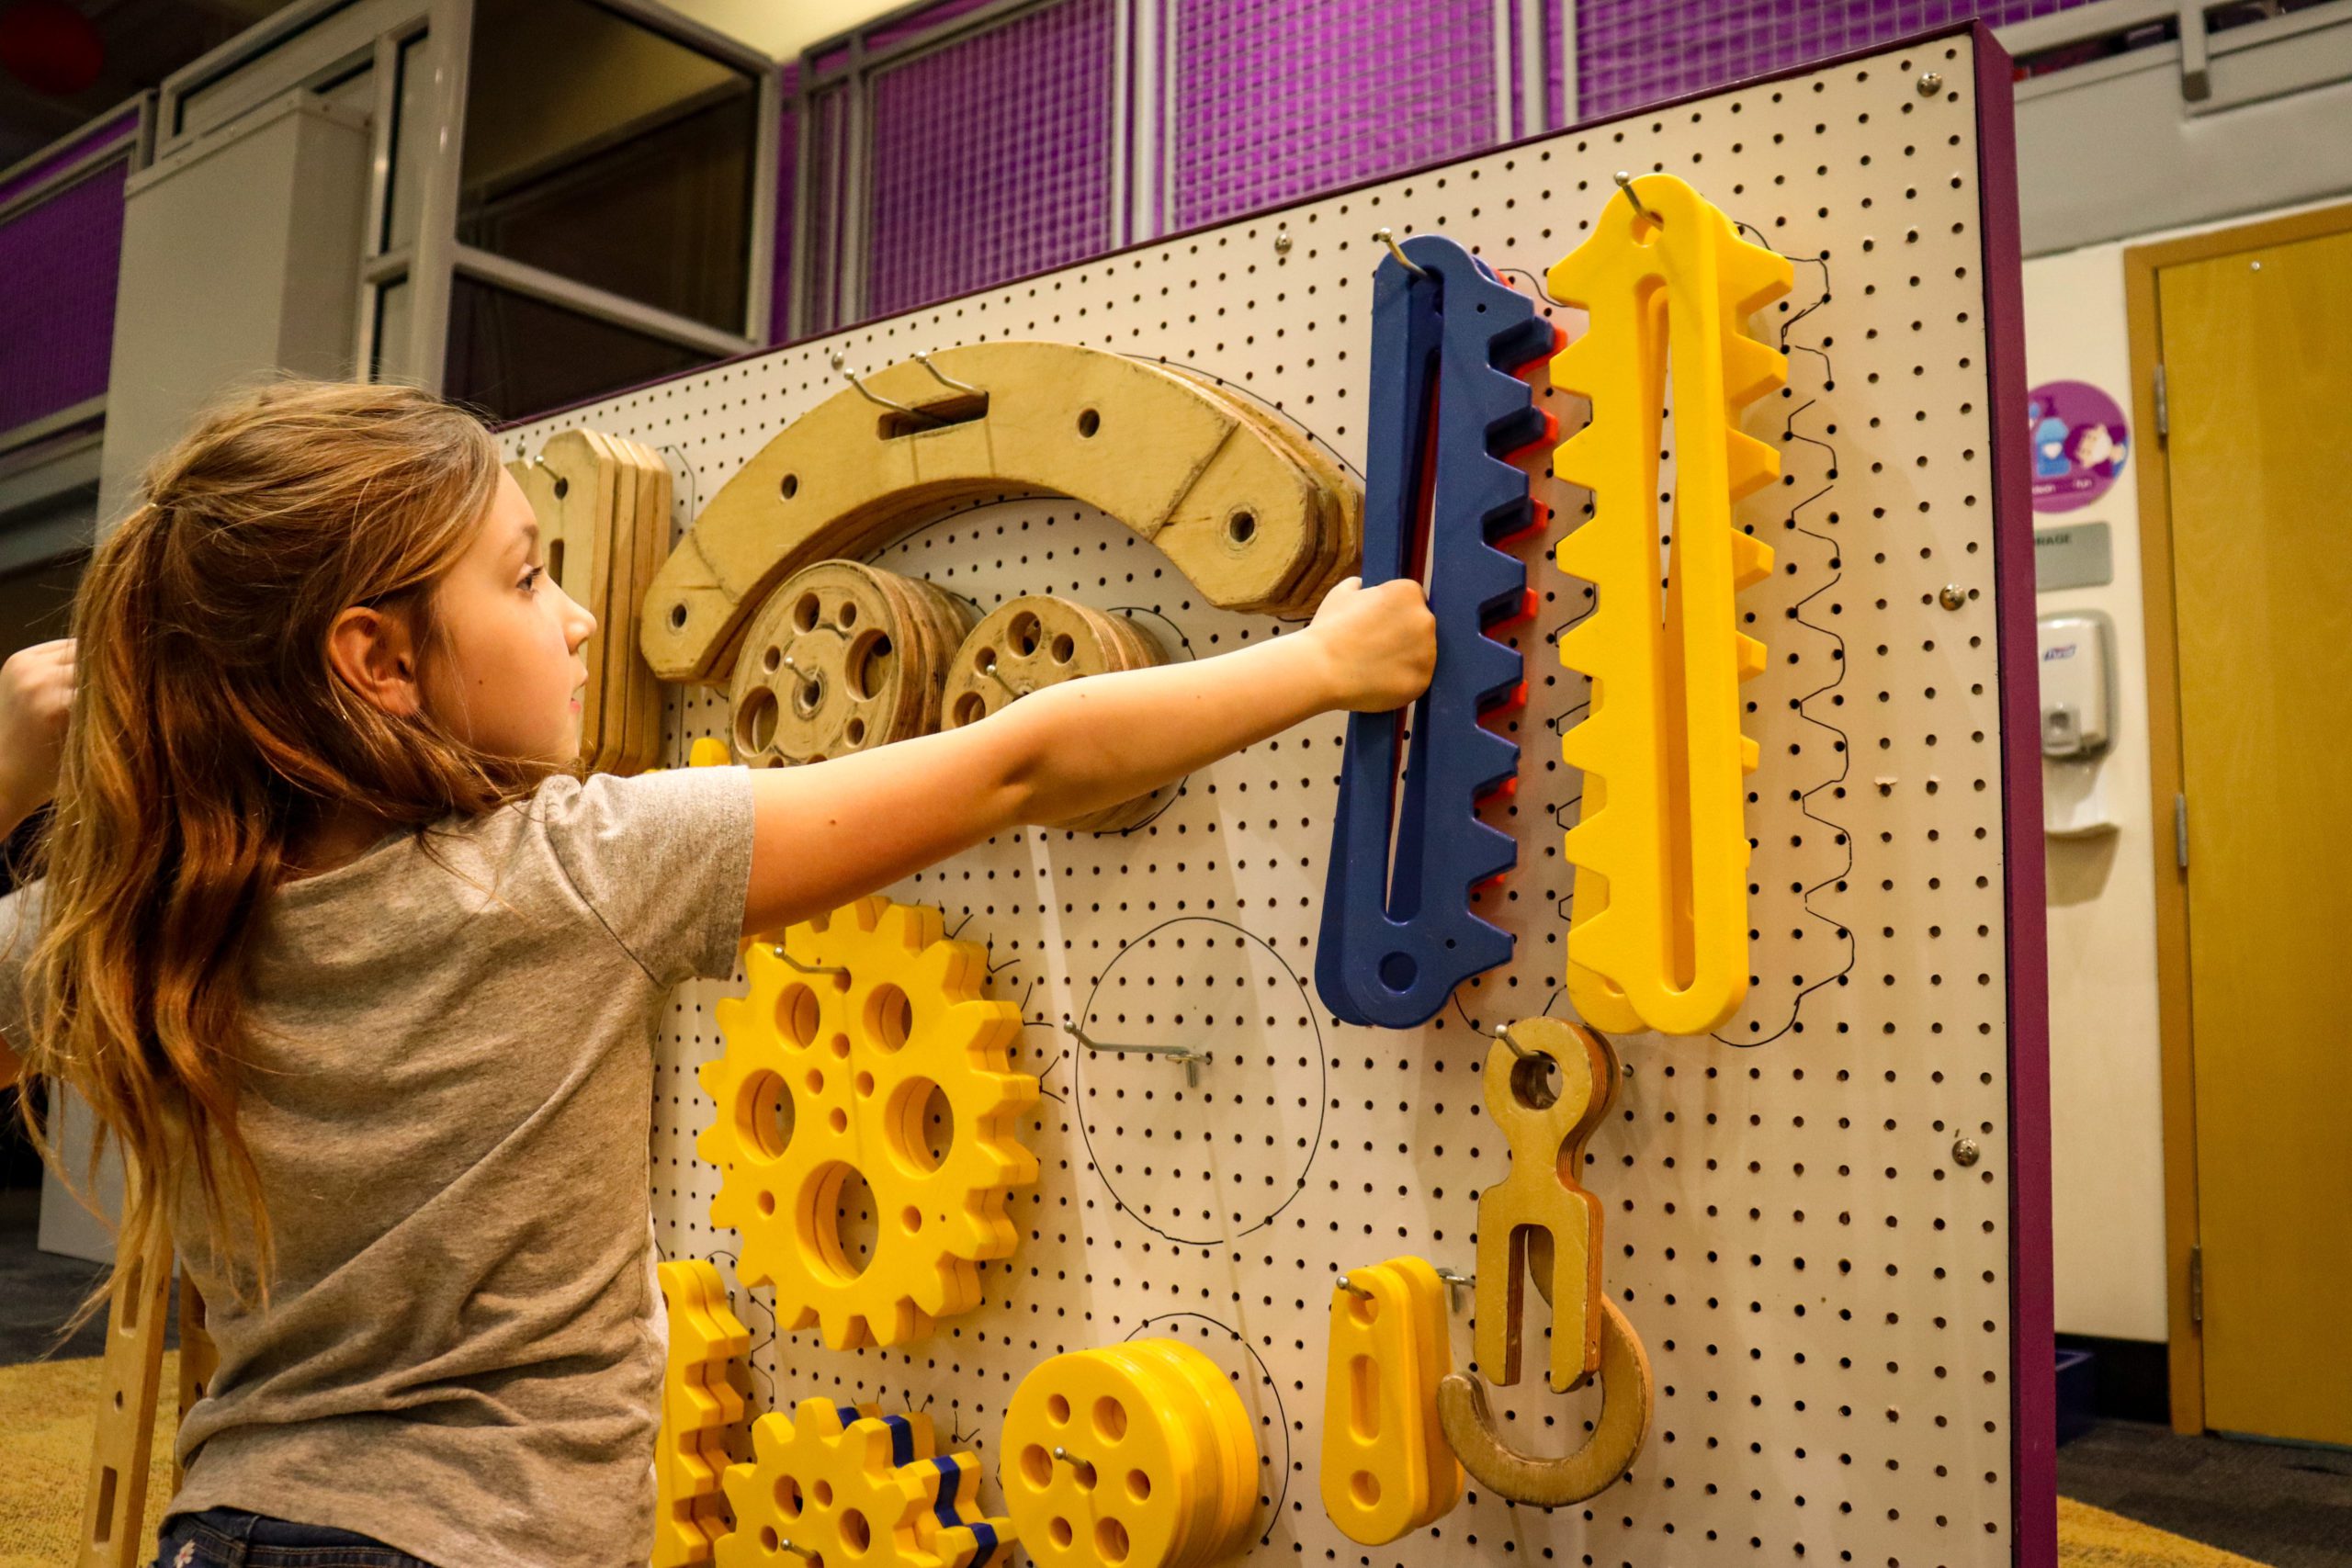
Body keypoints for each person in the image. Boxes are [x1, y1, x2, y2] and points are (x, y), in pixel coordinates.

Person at [0, 378, 1434, 1568]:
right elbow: (1022, 762)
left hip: (225, 1532)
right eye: (524, 574)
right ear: (376, 659)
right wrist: (1322, 663)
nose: (571, 619)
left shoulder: (129, 922)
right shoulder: (571, 873)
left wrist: (12, 779)